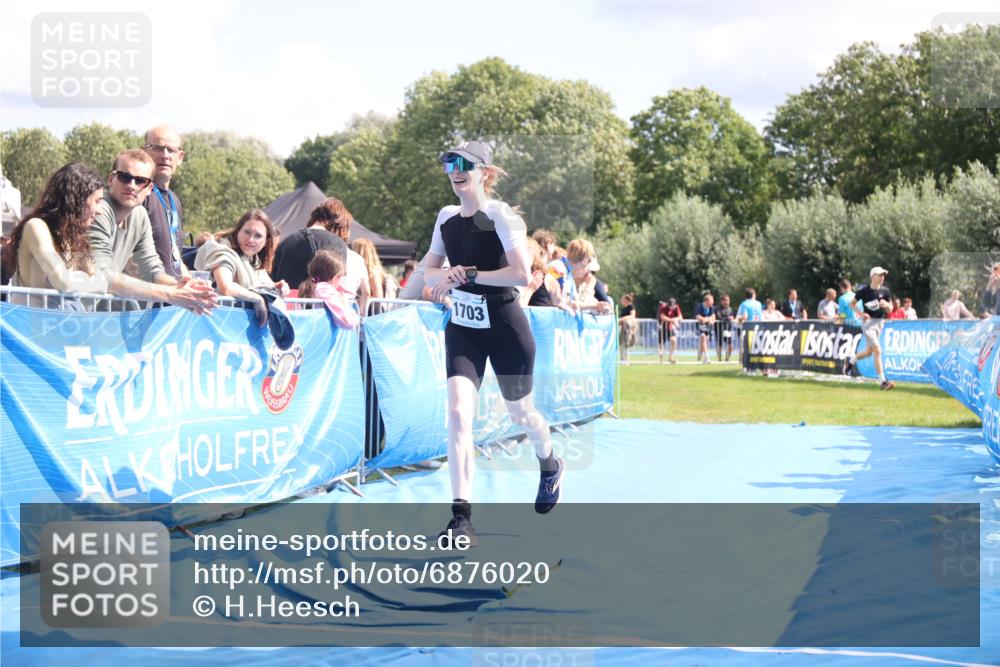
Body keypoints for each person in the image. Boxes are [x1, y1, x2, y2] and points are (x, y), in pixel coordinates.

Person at [424, 140, 562, 545]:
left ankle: (550, 462)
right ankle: (461, 518)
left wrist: (468, 275)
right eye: (449, 162)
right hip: (464, 326)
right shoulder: (446, 217)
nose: (455, 169)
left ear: (485, 171)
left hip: (505, 325)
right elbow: (427, 274)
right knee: (457, 412)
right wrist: (442, 281)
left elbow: (520, 274)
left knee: (522, 414)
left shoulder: (500, 216)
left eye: (465, 163)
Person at [90, 150, 217, 314]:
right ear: (110, 179)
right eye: (124, 177)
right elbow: (101, 275)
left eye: (140, 180)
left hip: (90, 314)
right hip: (61, 311)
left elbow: (152, 270)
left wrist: (184, 287)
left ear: (150, 188)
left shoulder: (140, 215)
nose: (131, 185)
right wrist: (171, 294)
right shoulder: (99, 210)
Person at [4, 162, 107, 295]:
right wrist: (91, 282)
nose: (101, 211)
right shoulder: (36, 227)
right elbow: (63, 282)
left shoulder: (73, 238)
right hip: (33, 315)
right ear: (77, 199)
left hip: (58, 315)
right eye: (97, 201)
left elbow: (102, 281)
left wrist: (87, 282)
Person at [194, 208, 288, 326]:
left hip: (238, 326)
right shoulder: (223, 251)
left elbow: (266, 286)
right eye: (247, 232)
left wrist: (279, 288)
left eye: (258, 236)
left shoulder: (253, 258)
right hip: (215, 324)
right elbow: (226, 287)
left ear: (266, 241)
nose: (250, 240)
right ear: (238, 230)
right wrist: (258, 299)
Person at [142, 125, 188, 281]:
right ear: (144, 152)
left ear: (180, 157)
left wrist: (191, 283)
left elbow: (174, 256)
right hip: (144, 301)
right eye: (158, 148)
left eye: (171, 150)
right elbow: (131, 258)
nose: (165, 155)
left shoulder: (175, 200)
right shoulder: (137, 194)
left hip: (171, 301)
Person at [271, 203, 348, 289]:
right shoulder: (337, 243)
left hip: (287, 299)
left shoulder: (286, 242)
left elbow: (274, 278)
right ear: (338, 224)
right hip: (321, 300)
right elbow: (339, 282)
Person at [843, 267, 895, 390]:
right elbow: (852, 304)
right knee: (877, 350)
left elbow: (891, 308)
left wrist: (887, 305)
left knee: (869, 352)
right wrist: (861, 314)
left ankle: (851, 361)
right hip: (868, 323)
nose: (882, 278)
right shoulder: (864, 291)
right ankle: (883, 382)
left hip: (880, 323)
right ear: (873, 276)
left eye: (883, 276)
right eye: (880, 275)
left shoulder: (886, 291)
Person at [321, 197, 371, 317]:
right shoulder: (358, 259)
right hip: (348, 313)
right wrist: (361, 315)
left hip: (325, 315)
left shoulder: (323, 256)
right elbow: (367, 292)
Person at [296, 249, 359, 329]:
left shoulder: (314, 286)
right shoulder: (325, 290)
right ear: (336, 277)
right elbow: (349, 322)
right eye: (341, 276)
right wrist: (345, 304)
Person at [566, 239, 611, 314]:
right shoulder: (564, 275)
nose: (588, 273)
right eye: (586, 267)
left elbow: (608, 307)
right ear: (584, 261)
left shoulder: (593, 282)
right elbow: (574, 304)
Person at [351, 237, 397, 302]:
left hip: (371, 310)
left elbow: (378, 296)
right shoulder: (368, 270)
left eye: (353, 249)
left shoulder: (372, 272)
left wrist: (359, 301)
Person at [657, 297, 682, 364]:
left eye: (673, 307)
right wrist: (672, 320)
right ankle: (661, 360)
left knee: (674, 340)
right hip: (662, 327)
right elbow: (662, 317)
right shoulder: (663, 307)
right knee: (661, 343)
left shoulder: (676, 307)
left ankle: (670, 357)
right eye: (670, 306)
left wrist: (675, 319)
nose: (672, 308)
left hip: (670, 327)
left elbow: (680, 317)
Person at [695, 292, 716, 364]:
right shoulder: (699, 306)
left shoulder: (711, 307)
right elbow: (698, 316)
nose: (713, 302)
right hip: (701, 325)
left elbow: (713, 316)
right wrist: (707, 319)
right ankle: (706, 357)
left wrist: (707, 319)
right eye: (711, 301)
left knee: (705, 340)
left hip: (708, 325)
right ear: (707, 301)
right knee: (703, 337)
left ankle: (701, 354)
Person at [714, 293, 734, 362]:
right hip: (719, 329)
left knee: (730, 345)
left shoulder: (730, 309)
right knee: (719, 344)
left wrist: (731, 318)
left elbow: (732, 317)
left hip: (727, 330)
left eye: (728, 300)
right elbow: (719, 317)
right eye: (725, 300)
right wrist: (728, 318)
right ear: (722, 301)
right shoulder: (717, 308)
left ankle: (727, 359)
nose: (727, 302)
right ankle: (719, 359)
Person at [618, 292, 637, 363]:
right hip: (623, 327)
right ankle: (622, 358)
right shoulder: (623, 309)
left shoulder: (631, 307)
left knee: (626, 342)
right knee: (621, 342)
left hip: (628, 327)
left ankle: (626, 359)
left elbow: (632, 316)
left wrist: (623, 319)